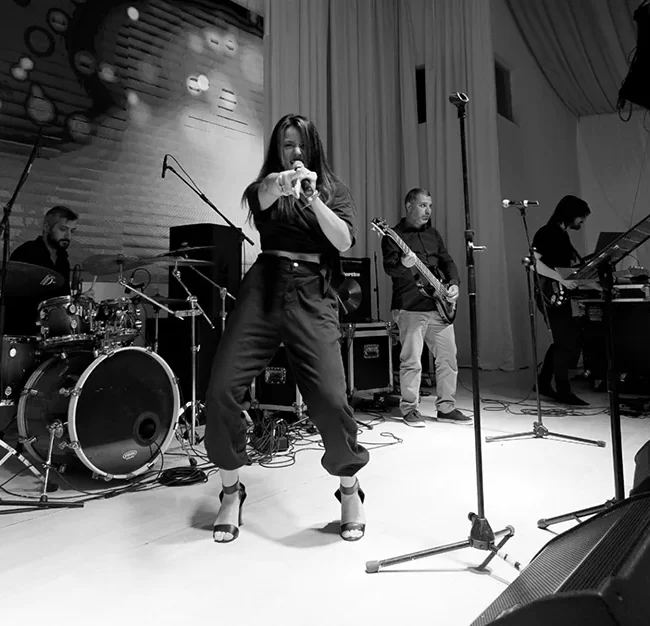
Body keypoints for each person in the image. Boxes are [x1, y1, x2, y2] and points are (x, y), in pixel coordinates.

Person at [203, 114, 369, 544]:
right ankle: (230, 492)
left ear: (312, 148)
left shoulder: (334, 191)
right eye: (286, 144)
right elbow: (260, 198)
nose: (294, 152)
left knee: (331, 398)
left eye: (300, 144)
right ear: (277, 149)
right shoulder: (266, 187)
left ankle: (349, 489)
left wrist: (313, 199)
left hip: (312, 291)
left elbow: (344, 241)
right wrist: (279, 183)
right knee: (221, 390)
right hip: (264, 286)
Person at [381, 188, 471, 427]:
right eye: (422, 205)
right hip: (410, 306)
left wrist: (453, 283)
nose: (428, 211)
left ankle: (446, 407)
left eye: (430, 206)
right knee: (411, 361)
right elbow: (390, 269)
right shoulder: (393, 236)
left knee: (448, 358)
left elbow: (447, 262)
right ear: (409, 206)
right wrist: (403, 263)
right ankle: (409, 409)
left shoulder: (433, 234)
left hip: (438, 307)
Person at [532, 194, 591, 406]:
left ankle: (543, 382)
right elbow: (534, 263)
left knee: (562, 340)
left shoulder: (561, 234)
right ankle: (563, 390)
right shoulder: (547, 232)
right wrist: (561, 279)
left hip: (558, 293)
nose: (582, 222)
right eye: (581, 217)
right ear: (571, 214)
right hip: (550, 294)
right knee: (566, 342)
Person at [3, 205, 79, 336]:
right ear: (46, 227)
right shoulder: (26, 253)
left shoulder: (63, 260)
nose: (68, 236)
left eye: (72, 231)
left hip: (52, 333)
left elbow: (61, 300)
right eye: (63, 229)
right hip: (23, 331)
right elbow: (13, 299)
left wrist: (77, 301)